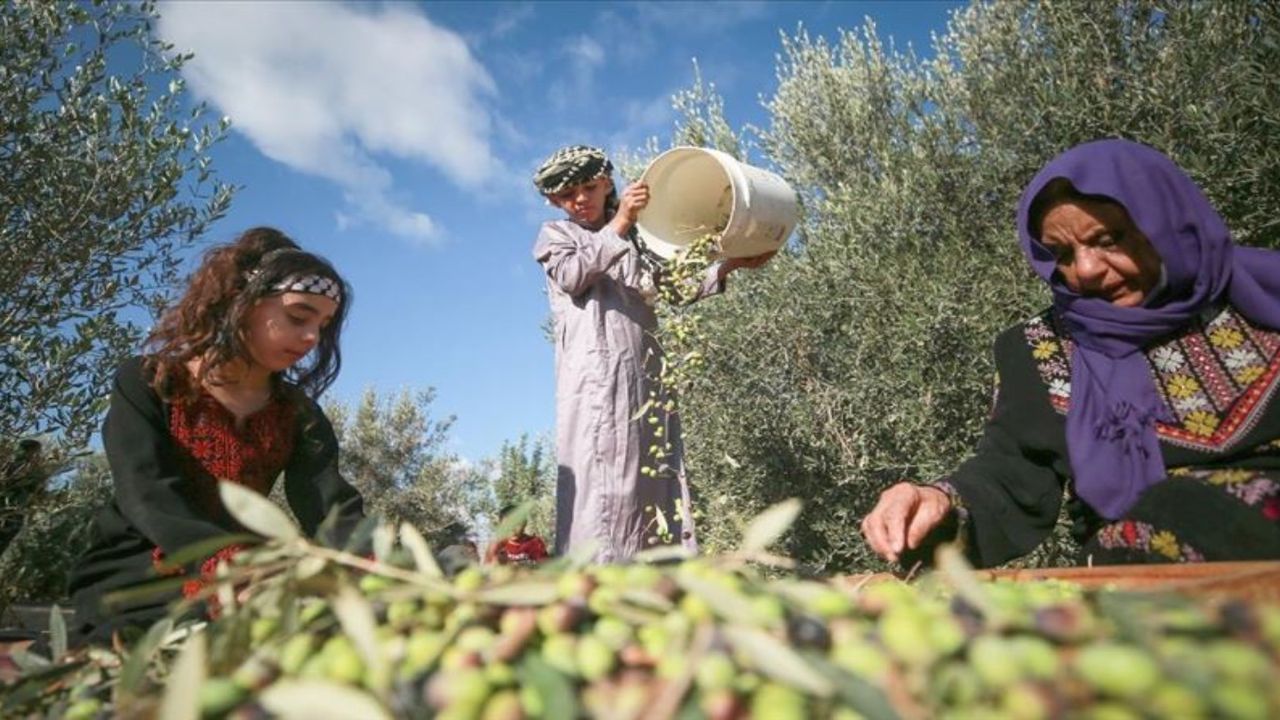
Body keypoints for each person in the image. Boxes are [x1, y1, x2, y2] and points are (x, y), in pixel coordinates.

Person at [861, 139, 1280, 568]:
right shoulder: (1041, 349)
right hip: (1139, 585)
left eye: (1107, 239)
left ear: (1166, 222)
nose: (1086, 270)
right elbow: (1011, 473)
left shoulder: (1266, 300)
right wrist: (937, 500)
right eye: (1061, 254)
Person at [68, 227, 366, 644]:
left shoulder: (300, 414)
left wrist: (371, 570)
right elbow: (147, 493)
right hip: (139, 576)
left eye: (324, 324)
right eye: (299, 316)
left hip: (249, 579)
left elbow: (332, 507)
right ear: (240, 303)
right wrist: (226, 562)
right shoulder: (147, 383)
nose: (312, 337)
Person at [531, 145, 773, 562]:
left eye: (589, 187)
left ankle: (659, 578)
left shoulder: (637, 241)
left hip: (646, 382)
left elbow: (667, 289)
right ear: (555, 201)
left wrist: (729, 266)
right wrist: (622, 222)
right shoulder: (558, 236)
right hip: (594, 384)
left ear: (607, 183)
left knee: (653, 477)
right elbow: (573, 276)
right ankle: (598, 585)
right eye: (568, 195)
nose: (580, 200)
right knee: (602, 481)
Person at [485, 503, 549, 566]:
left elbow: (545, 568)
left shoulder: (535, 543)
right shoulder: (496, 545)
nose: (512, 529)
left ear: (525, 523)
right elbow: (486, 570)